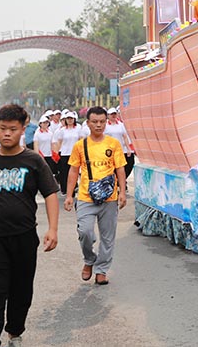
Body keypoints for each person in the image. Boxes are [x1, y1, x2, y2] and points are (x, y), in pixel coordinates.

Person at [0, 104, 59, 347]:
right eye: (2, 128)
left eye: (12, 129)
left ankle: (15, 332)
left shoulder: (33, 161)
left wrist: (53, 228)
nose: (7, 134)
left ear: (22, 130)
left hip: (24, 237)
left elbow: (50, 194)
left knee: (21, 291)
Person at [64, 106, 127, 286]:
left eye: (102, 122)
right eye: (95, 122)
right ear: (88, 123)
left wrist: (122, 192)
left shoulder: (113, 144)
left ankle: (101, 270)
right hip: (85, 196)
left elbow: (120, 169)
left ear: (106, 123)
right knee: (85, 231)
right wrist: (69, 195)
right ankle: (89, 259)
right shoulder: (80, 146)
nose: (98, 125)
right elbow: (73, 170)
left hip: (109, 197)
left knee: (108, 236)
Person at [105, 108, 135, 187]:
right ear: (108, 116)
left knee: (127, 165)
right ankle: (115, 183)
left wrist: (128, 148)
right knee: (113, 168)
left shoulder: (121, 125)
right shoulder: (105, 125)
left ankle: (121, 181)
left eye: (115, 114)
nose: (114, 116)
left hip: (121, 150)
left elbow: (125, 136)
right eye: (112, 114)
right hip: (110, 151)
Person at [52, 111, 80, 196]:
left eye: (71, 118)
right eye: (68, 119)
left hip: (74, 154)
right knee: (64, 172)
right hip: (64, 153)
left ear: (74, 119)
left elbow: (80, 141)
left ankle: (74, 188)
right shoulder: (62, 130)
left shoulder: (78, 129)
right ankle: (64, 189)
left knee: (74, 172)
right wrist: (56, 154)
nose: (70, 120)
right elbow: (59, 143)